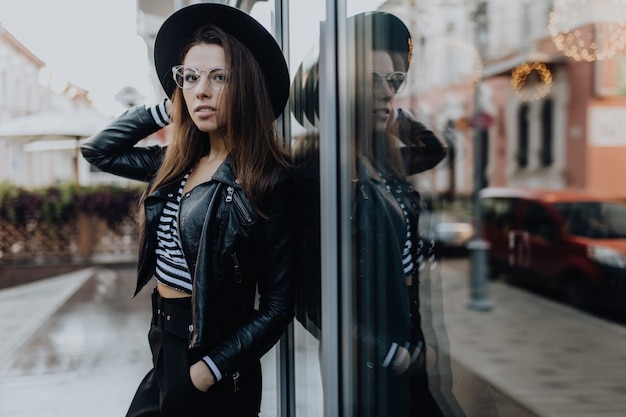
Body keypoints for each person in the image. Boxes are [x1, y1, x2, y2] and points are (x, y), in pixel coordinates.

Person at [80, 4, 294, 417]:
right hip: (165, 341)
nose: (202, 91)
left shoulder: (267, 179)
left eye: (219, 77)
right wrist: (167, 107)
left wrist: (209, 371)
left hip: (214, 358)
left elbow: (277, 306)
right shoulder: (173, 163)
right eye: (190, 78)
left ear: (245, 86)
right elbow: (97, 150)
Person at [292, 11, 461, 417]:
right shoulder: (318, 167)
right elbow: (308, 299)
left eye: (393, 82)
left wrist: (389, 114)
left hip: (408, 329)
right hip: (369, 358)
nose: (387, 92)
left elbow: (435, 149)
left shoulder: (380, 156)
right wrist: (385, 352)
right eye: (370, 80)